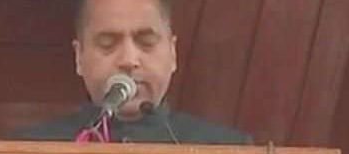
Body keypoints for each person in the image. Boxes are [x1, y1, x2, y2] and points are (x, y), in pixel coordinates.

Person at [13, 0, 251, 144]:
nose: (128, 60)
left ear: (172, 53)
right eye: (108, 44)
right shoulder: (29, 148)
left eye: (146, 42)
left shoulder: (227, 149)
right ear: (79, 58)